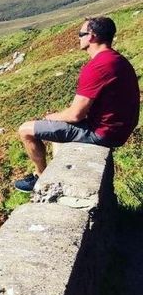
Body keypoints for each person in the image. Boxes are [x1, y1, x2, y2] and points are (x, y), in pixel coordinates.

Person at [14, 16, 140, 192]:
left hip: (103, 134)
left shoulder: (97, 66)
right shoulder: (116, 59)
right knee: (56, 127)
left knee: (25, 130)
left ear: (92, 36)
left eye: (81, 34)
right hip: (118, 129)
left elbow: (76, 115)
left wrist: (50, 117)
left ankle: (40, 178)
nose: (78, 38)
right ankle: (56, 174)